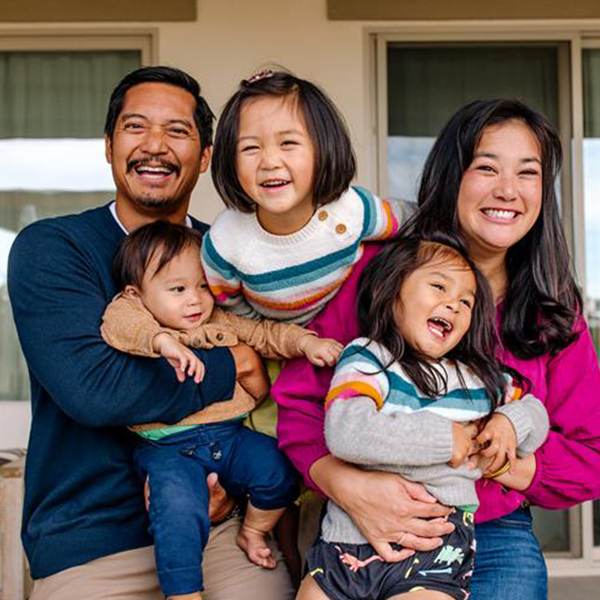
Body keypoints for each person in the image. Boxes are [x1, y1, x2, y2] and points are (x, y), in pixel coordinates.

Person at [273, 98, 600, 600]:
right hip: (358, 521)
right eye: (486, 167)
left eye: (527, 173)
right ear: (453, 175)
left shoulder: (554, 310)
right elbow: (299, 404)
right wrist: (349, 486)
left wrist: (480, 451)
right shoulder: (381, 274)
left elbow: (590, 457)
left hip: (491, 534)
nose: (507, 190)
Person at [7, 66, 295, 600]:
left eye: (178, 131)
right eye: (136, 127)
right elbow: (96, 390)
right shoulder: (54, 249)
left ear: (206, 156)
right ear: (110, 144)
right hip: (96, 541)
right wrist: (234, 365)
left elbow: (281, 381)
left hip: (222, 527)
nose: (155, 146)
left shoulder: (229, 257)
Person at [297, 232, 549, 600]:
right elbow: (345, 431)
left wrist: (511, 422)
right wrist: (445, 440)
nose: (455, 305)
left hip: (434, 550)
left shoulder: (478, 378)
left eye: (467, 301)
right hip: (345, 544)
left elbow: (534, 409)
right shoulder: (367, 359)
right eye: (438, 287)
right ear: (391, 290)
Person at [100, 219, 342, 599]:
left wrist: (306, 344)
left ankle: (254, 530)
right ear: (137, 294)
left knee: (278, 470)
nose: (195, 299)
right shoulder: (136, 317)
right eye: (177, 289)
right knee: (177, 511)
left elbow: (264, 333)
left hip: (229, 437)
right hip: (168, 449)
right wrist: (163, 342)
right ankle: (183, 592)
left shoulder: (218, 320)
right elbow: (119, 324)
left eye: (202, 286)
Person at [202, 69, 404, 325]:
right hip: (280, 344)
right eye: (250, 147)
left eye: (287, 143)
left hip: (351, 323)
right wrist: (284, 342)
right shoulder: (225, 243)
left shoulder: (352, 209)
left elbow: (415, 219)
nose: (270, 162)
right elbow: (233, 309)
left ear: (323, 148)